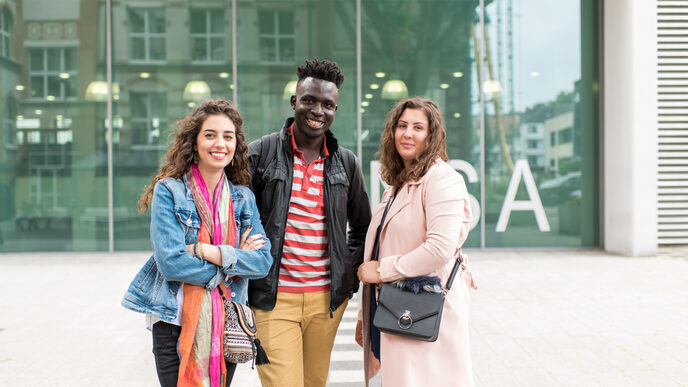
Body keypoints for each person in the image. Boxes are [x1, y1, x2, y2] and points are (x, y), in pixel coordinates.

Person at [121, 99, 273, 387]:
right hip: (172, 319)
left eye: (228, 137)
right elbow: (172, 263)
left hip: (226, 322)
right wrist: (233, 262)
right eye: (210, 134)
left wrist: (206, 251)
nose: (220, 143)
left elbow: (263, 261)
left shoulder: (243, 198)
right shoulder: (170, 191)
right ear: (194, 142)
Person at [247, 59, 372, 387]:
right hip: (273, 299)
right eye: (310, 101)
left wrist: (347, 268)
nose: (318, 110)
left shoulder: (346, 163)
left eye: (328, 104)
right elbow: (235, 217)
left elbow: (363, 228)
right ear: (294, 102)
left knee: (314, 382)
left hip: (326, 303)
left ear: (335, 109)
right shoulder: (261, 154)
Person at [356, 97, 477, 387]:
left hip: (426, 309)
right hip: (398, 308)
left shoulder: (441, 179)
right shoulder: (399, 184)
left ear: (431, 135)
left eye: (418, 127)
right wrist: (366, 311)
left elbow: (439, 248)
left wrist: (383, 271)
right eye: (402, 125)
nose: (407, 133)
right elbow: (382, 245)